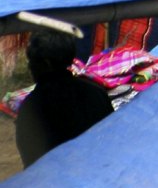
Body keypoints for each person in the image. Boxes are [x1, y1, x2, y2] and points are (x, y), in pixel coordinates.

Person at [14, 30, 115, 167]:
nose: (30, 67)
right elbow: (111, 142)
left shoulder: (33, 106)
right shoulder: (96, 92)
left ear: (46, 63)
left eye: (32, 61)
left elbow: (31, 162)